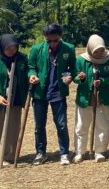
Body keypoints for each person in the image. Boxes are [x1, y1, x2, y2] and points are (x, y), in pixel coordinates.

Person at [28, 23, 76, 165]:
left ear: (60, 37)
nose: (52, 43)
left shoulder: (69, 48)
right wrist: (32, 75)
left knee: (61, 124)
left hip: (58, 91)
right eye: (49, 41)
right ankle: (41, 153)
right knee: (39, 125)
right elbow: (31, 67)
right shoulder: (37, 49)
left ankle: (64, 153)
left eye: (55, 40)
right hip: (40, 92)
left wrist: (69, 77)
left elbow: (72, 67)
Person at [0, 34, 29, 167]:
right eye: (8, 48)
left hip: (15, 99)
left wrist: (31, 76)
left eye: (14, 48)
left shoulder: (22, 59)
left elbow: (29, 70)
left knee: (13, 130)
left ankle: (8, 157)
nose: (11, 51)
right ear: (2, 47)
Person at [72, 34, 109, 163]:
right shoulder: (81, 59)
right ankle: (80, 151)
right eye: (96, 51)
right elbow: (76, 78)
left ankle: (99, 151)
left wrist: (102, 81)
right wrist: (81, 78)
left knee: (102, 125)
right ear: (90, 49)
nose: (99, 53)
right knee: (81, 125)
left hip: (104, 97)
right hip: (85, 97)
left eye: (101, 50)